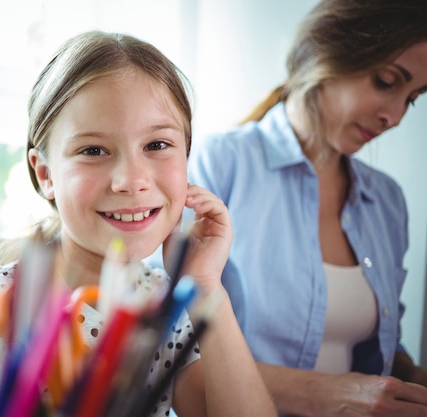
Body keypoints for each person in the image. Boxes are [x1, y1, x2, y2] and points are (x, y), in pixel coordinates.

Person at [0, 30, 276, 417]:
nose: (131, 180)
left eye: (157, 145)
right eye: (93, 150)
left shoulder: (169, 305)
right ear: (46, 175)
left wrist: (206, 286)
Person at [181, 0, 427, 416]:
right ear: (324, 54)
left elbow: (375, 349)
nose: (395, 117)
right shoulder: (218, 164)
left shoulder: (387, 201)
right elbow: (171, 355)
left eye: (413, 98)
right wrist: (330, 393)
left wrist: (408, 381)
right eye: (387, 81)